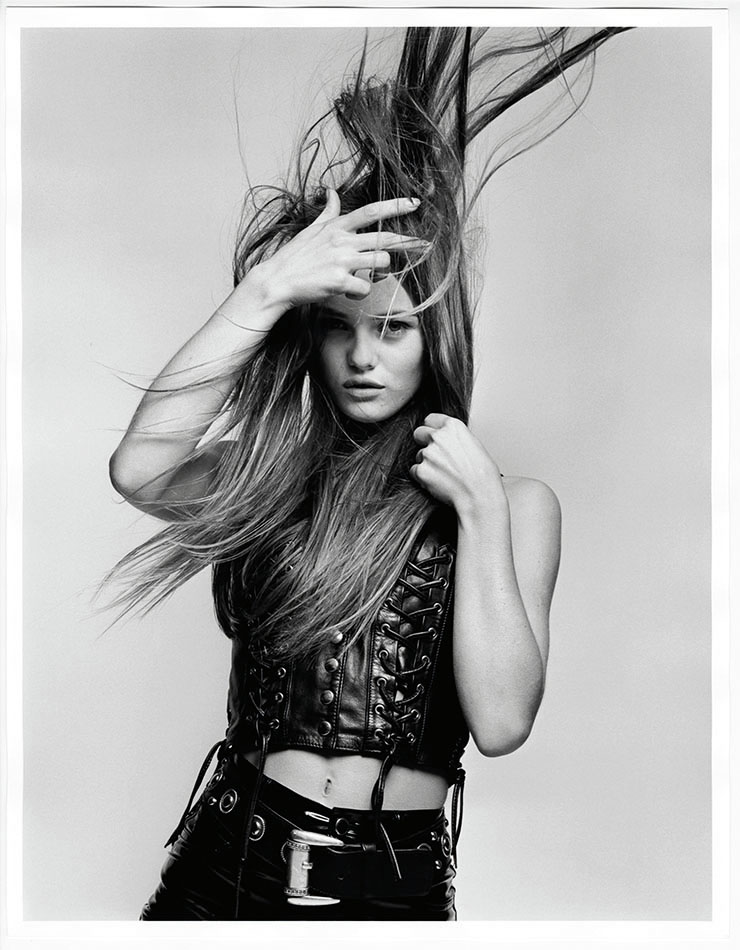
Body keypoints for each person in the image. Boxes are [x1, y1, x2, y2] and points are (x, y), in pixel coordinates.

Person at [107, 26, 628, 920]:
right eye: (338, 328)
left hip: (396, 894)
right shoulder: (269, 479)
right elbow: (139, 467)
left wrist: (479, 511)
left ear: (437, 338)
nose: (362, 357)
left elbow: (502, 723)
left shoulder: (514, 505)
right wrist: (268, 289)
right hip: (225, 871)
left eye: (393, 328)